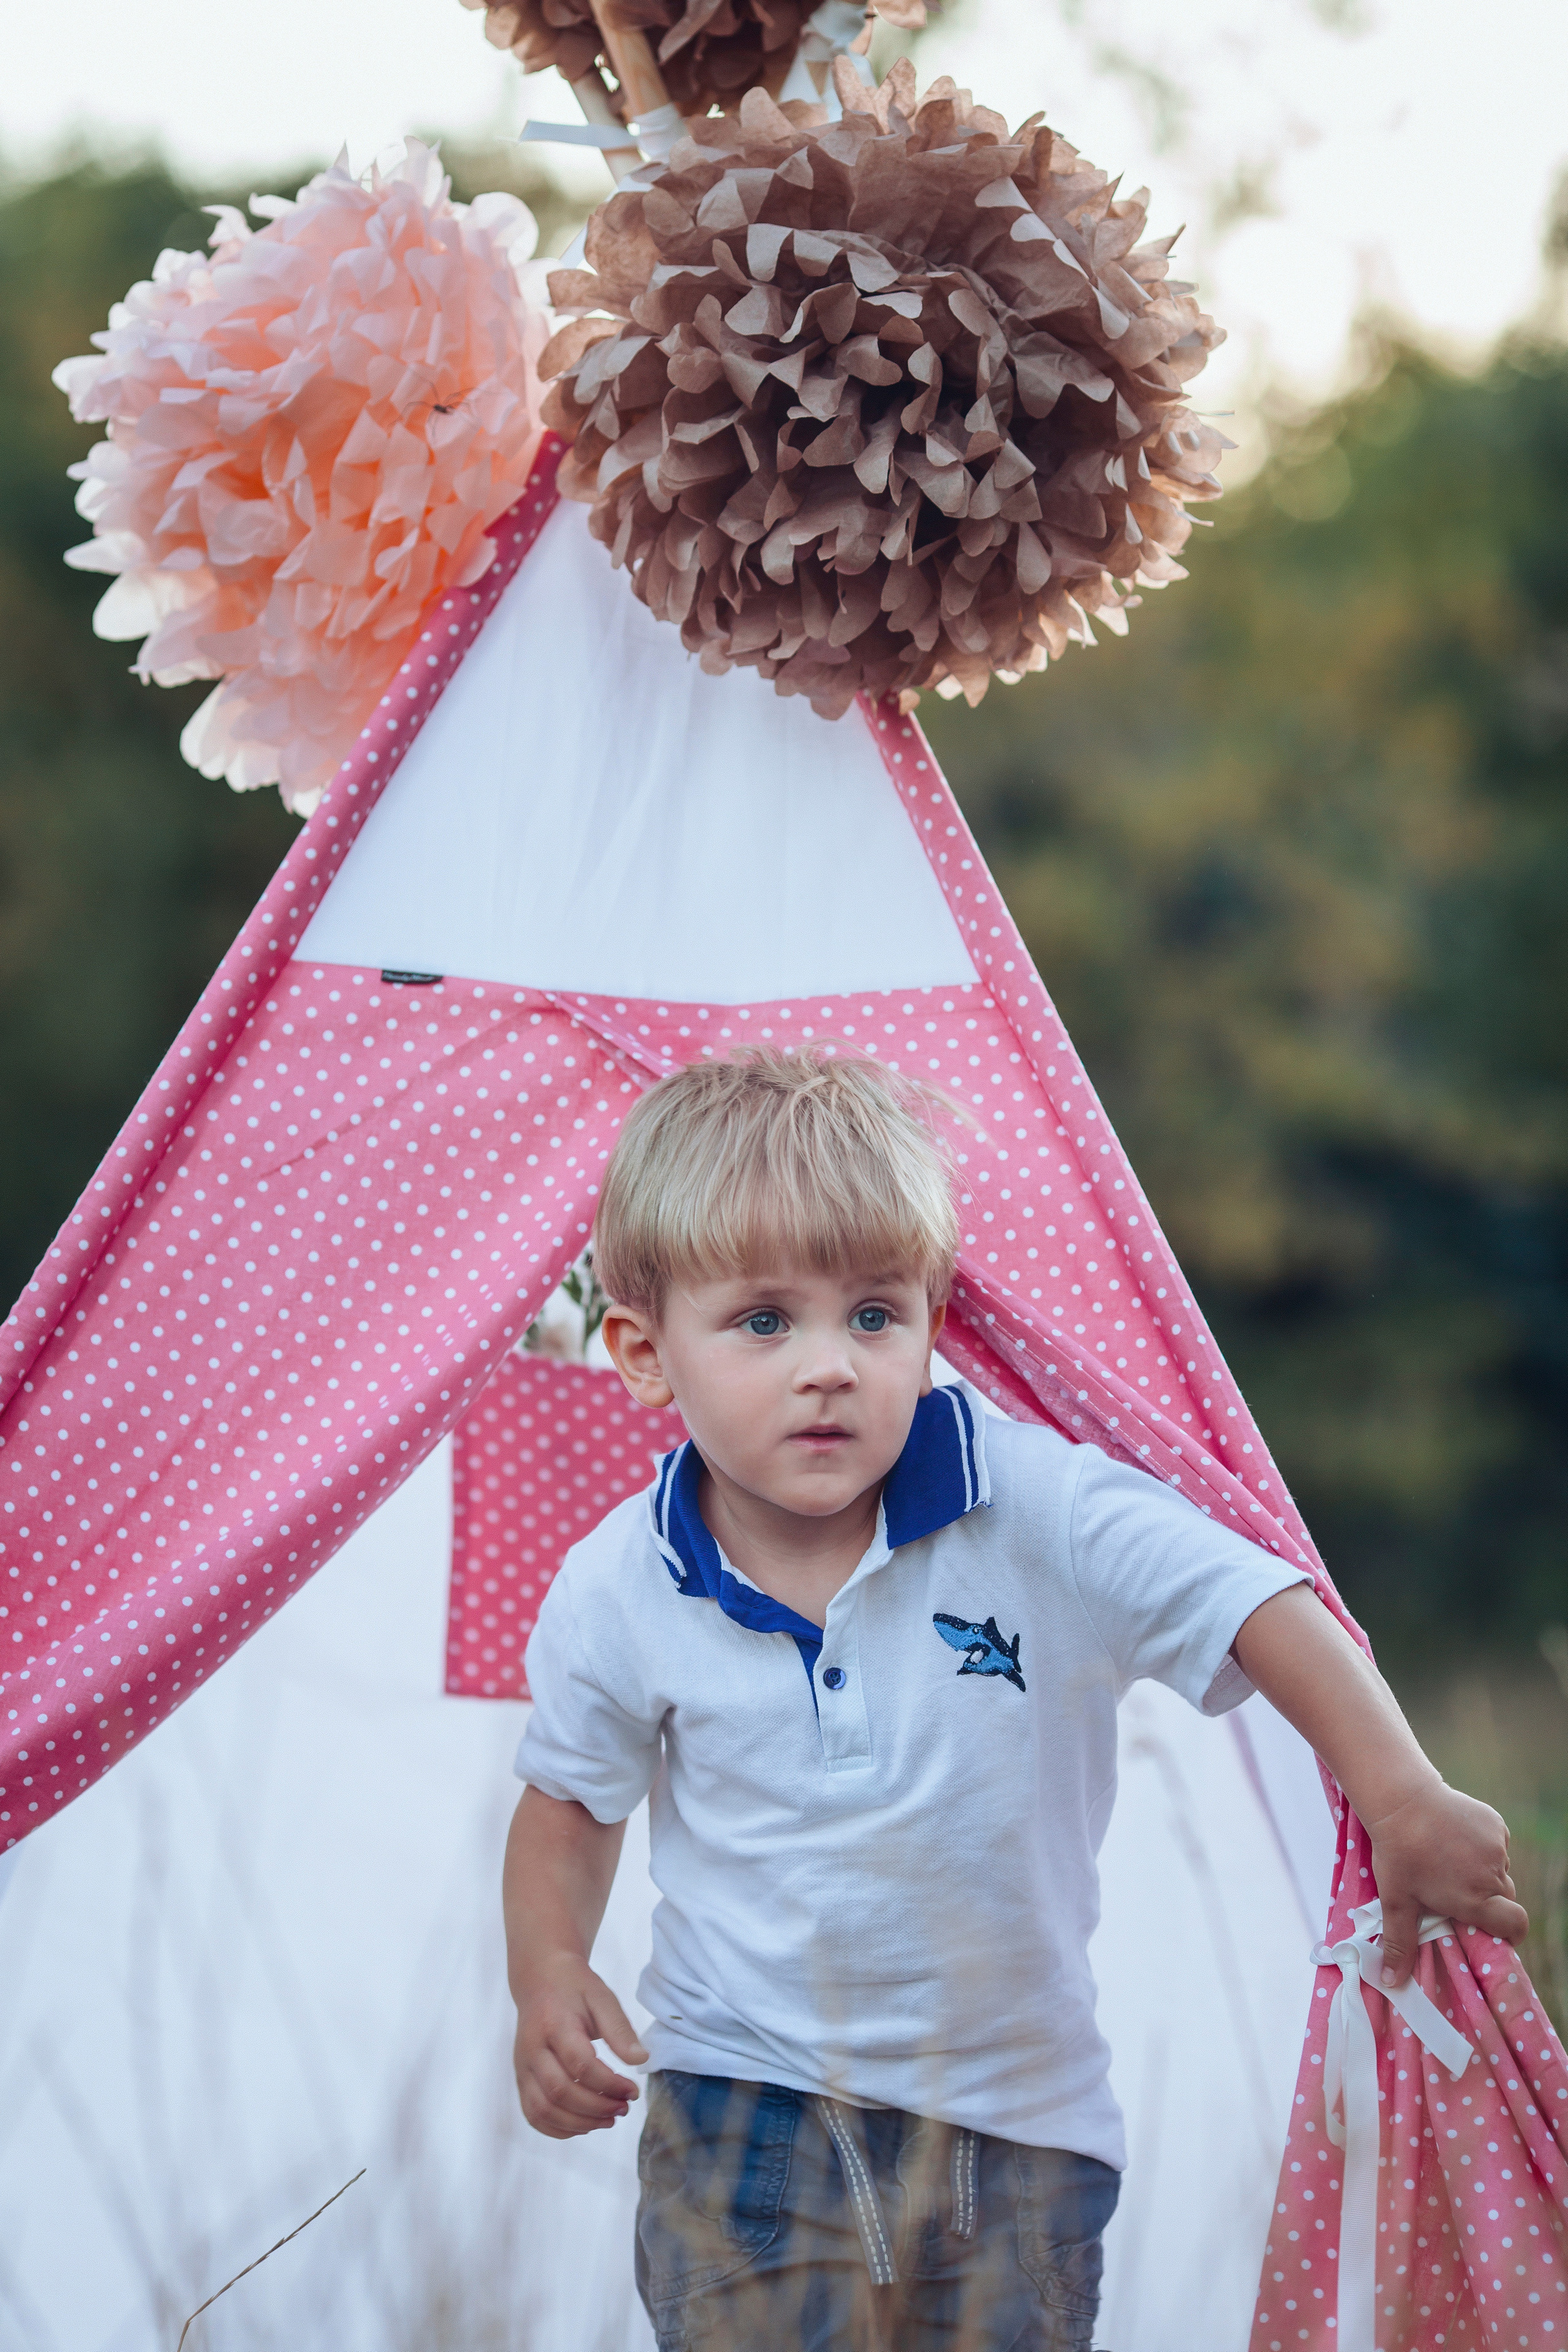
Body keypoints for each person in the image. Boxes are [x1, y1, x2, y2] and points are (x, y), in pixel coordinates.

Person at [500, 1049, 1525, 2351]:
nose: (828, 1365)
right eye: (764, 1321)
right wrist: (545, 1970)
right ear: (647, 1354)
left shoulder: (1033, 1506)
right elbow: (569, 1803)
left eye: (872, 1315)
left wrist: (1400, 1796)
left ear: (930, 1319)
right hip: (739, 2118)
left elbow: (1258, 1601)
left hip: (1015, 2139)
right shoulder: (619, 1584)